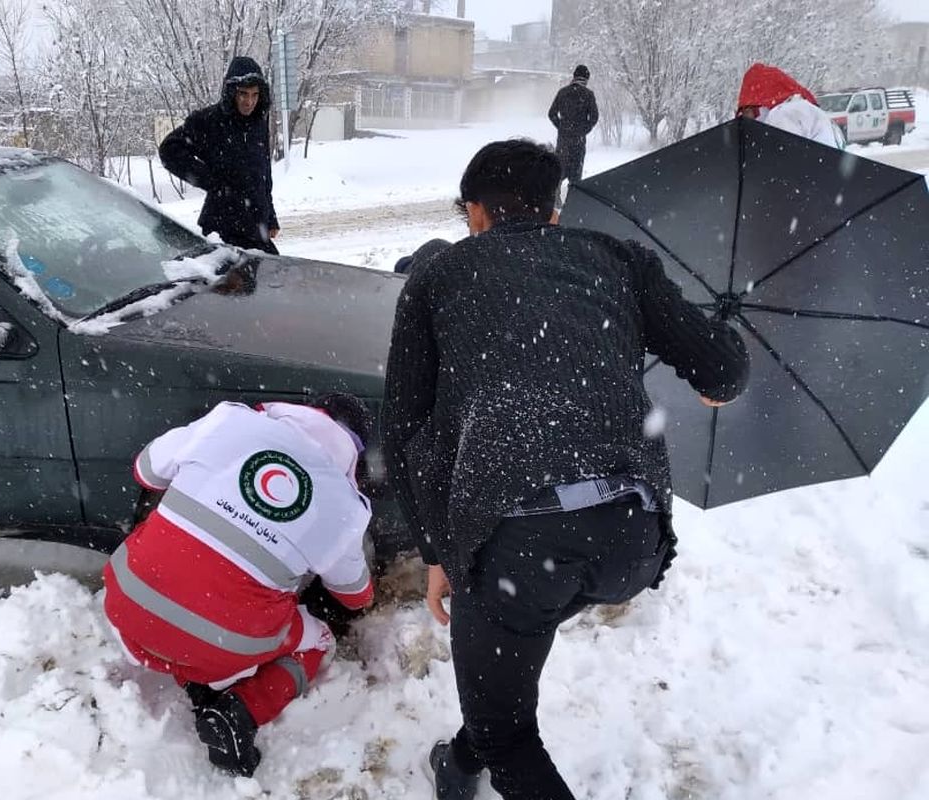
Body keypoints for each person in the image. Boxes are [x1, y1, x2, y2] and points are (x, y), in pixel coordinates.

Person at [381, 139, 750, 800]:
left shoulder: (437, 279)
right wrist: (716, 340)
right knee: (518, 628)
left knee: (509, 731)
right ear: (553, 213)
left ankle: (483, 743)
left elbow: (406, 427)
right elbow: (723, 371)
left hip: (519, 539)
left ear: (474, 214)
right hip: (632, 540)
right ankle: (462, 760)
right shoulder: (619, 261)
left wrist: (439, 550)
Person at [102, 394, 375, 777]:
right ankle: (240, 712)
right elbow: (355, 595)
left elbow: (145, 471)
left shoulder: (228, 421)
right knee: (319, 639)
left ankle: (197, 677)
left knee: (195, 602)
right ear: (355, 456)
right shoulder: (346, 508)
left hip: (125, 606)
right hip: (220, 643)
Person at [159, 56, 281, 253]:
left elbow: (263, 174)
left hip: (256, 229)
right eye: (243, 94)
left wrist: (271, 217)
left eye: (254, 95)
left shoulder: (258, 123)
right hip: (222, 229)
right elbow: (169, 150)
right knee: (228, 283)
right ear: (231, 91)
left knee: (274, 278)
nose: (249, 102)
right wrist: (213, 183)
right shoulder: (210, 121)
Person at [736, 62, 840, 148]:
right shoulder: (801, 107)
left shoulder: (781, 115)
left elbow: (784, 158)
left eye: (746, 111)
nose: (745, 118)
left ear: (759, 104)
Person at [548, 65, 599, 186]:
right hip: (578, 142)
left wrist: (561, 127)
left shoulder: (563, 92)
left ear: (574, 76)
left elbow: (551, 114)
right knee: (576, 176)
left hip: (563, 141)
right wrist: (583, 130)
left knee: (560, 171)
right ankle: (572, 200)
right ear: (586, 79)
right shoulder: (588, 94)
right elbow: (594, 117)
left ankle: (556, 198)